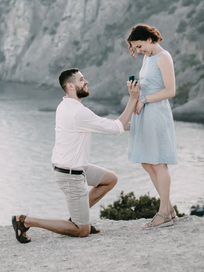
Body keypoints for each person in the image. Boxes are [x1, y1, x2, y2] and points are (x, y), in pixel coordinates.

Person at [11, 68, 140, 243]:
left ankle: (79, 217)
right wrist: (133, 99)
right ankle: (25, 221)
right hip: (70, 174)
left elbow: (106, 124)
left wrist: (136, 127)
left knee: (110, 179)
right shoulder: (78, 112)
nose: (86, 82)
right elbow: (115, 128)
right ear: (71, 86)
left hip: (75, 167)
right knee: (82, 231)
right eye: (82, 79)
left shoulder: (66, 105)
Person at [126, 23, 178, 229]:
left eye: (139, 46)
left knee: (158, 162)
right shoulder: (148, 58)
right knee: (147, 163)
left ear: (149, 39)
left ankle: (163, 212)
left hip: (156, 113)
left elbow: (170, 90)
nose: (139, 51)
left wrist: (144, 99)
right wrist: (136, 92)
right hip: (145, 112)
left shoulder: (163, 57)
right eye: (136, 48)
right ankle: (170, 209)